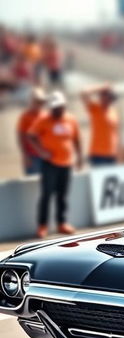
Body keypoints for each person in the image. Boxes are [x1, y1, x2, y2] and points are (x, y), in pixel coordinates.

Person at [28, 91, 83, 239]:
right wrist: (41, 151)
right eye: (53, 108)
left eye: (58, 107)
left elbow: (77, 139)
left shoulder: (71, 119)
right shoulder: (44, 119)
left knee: (62, 195)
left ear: (64, 106)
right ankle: (42, 225)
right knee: (46, 194)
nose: (55, 110)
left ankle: (62, 223)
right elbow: (31, 135)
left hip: (66, 163)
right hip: (50, 163)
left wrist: (80, 157)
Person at [81, 84, 120, 166]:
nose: (109, 100)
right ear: (102, 97)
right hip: (98, 154)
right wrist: (101, 88)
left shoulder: (113, 111)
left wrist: (119, 152)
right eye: (107, 96)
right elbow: (84, 93)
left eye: (111, 97)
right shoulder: (95, 108)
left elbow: (116, 133)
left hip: (112, 154)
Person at [16, 87, 46, 175]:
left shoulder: (46, 115)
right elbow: (21, 137)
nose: (39, 104)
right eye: (37, 101)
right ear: (32, 101)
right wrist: (25, 155)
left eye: (41, 102)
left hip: (46, 155)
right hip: (32, 156)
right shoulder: (25, 116)